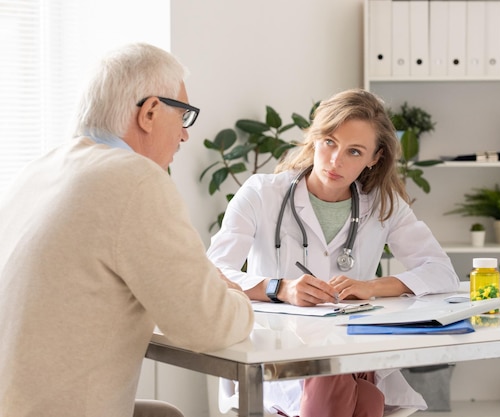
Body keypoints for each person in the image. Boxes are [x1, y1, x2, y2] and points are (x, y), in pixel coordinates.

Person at [0, 43, 255, 417]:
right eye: (183, 116)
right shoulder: (133, 179)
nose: (185, 136)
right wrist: (236, 294)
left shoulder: (40, 169)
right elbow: (208, 326)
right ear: (150, 112)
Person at [207, 88, 460, 417]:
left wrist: (372, 287)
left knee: (346, 377)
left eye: (354, 151)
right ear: (314, 138)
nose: (335, 160)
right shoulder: (261, 194)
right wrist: (279, 288)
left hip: (350, 348)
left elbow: (441, 271)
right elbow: (211, 274)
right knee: (361, 395)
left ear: (375, 158)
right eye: (329, 142)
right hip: (281, 353)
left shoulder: (383, 206)